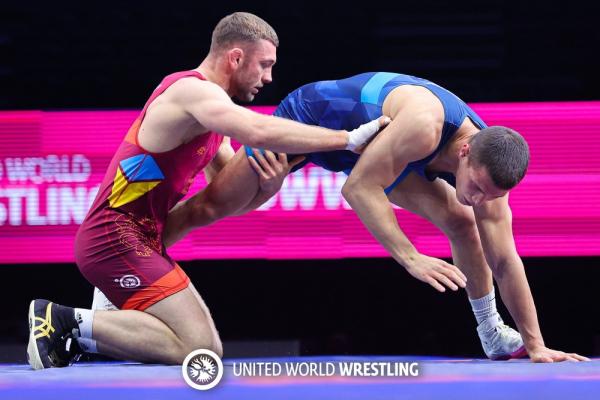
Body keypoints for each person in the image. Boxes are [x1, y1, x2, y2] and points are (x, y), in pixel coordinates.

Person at [26, 13, 389, 370]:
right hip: (113, 238)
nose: (268, 77)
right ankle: (61, 319)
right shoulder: (192, 92)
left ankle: (86, 336)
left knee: (200, 347)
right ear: (236, 57)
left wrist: (271, 185)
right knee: (200, 348)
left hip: (142, 240)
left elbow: (222, 201)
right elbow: (258, 131)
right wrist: (347, 139)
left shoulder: (211, 120)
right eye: (264, 65)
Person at [159, 72, 589, 362]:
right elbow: (358, 188)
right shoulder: (424, 126)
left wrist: (536, 344)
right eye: (475, 186)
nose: (478, 199)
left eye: (487, 195)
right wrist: (410, 255)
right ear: (464, 152)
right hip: (316, 118)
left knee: (463, 222)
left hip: (377, 151)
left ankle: (492, 333)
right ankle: (143, 252)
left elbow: (506, 261)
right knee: (213, 206)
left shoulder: (489, 178)